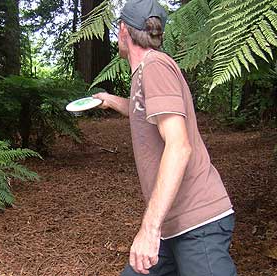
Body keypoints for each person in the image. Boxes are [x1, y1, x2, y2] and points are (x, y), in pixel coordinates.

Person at [93, 0, 237, 275]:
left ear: (123, 30)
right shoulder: (145, 71)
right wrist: (110, 101)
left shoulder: (155, 68)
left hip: (197, 223)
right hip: (171, 225)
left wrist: (149, 229)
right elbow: (146, 112)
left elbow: (179, 146)